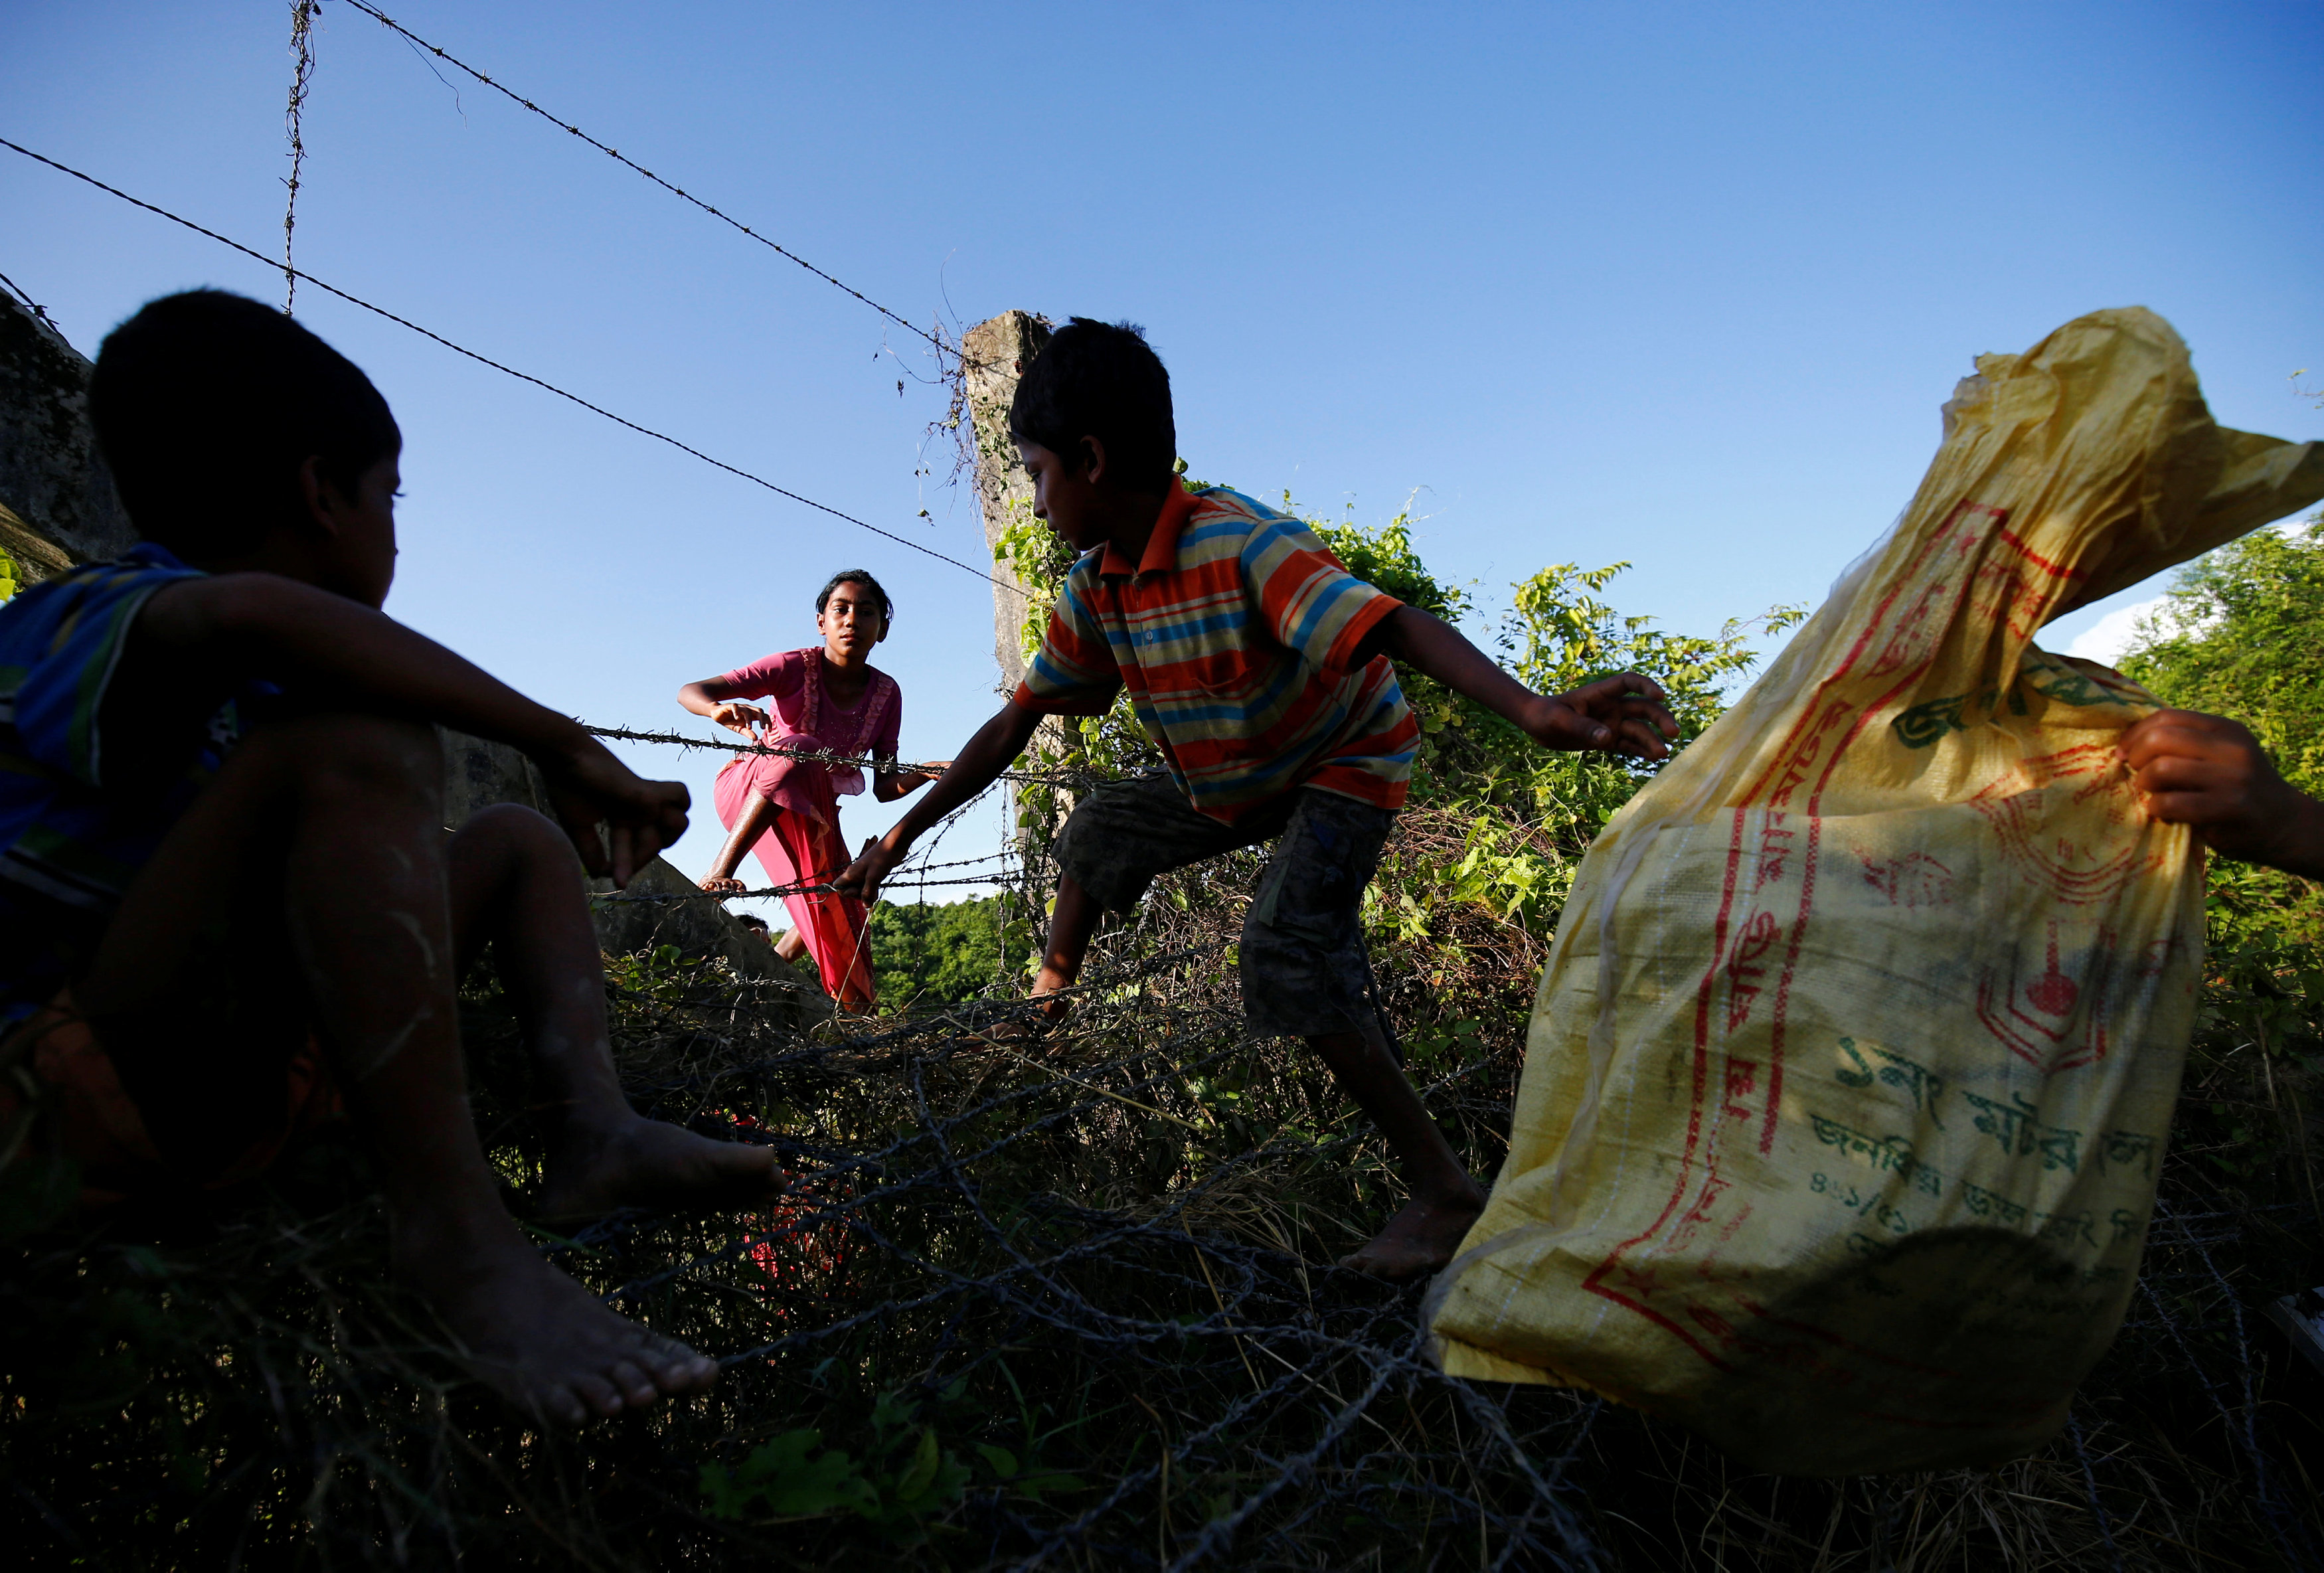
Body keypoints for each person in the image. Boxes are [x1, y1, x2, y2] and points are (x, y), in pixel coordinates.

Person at [0, 289, 777, 1427]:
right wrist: (558, 737)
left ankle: (594, 1129)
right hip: (48, 1104)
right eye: (391, 494)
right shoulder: (92, 614)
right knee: (359, 742)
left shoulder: (258, 669)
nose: (397, 528)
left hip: (221, 1063)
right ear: (323, 492)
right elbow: (252, 616)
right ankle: (462, 1244)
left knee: (512, 842)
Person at [835, 318, 1679, 1280]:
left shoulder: (1238, 546)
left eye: (1035, 474)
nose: (1033, 501)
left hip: (1340, 760)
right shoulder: (1099, 587)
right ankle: (1042, 1019)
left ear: (1093, 460)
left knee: (1285, 949)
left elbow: (1391, 623)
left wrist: (1533, 711)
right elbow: (1014, 724)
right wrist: (901, 830)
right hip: (1230, 772)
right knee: (1101, 826)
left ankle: (1446, 1194)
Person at [675, 571, 943, 1009]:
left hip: (812, 811)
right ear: (822, 622)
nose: (852, 619)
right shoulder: (793, 666)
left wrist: (927, 771)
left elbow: (885, 786)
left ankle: (856, 1021)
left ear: (884, 628)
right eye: (841, 609)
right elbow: (692, 691)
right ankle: (719, 870)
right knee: (802, 746)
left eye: (866, 612)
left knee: (843, 905)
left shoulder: (887, 693)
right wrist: (717, 709)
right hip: (750, 790)